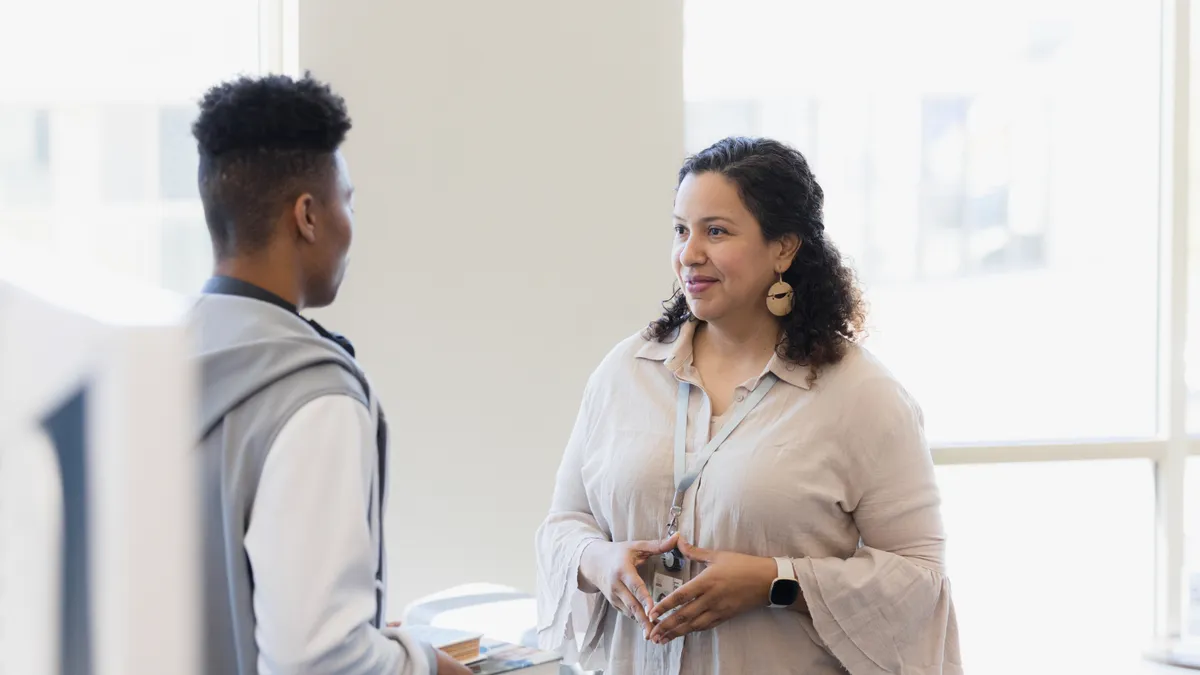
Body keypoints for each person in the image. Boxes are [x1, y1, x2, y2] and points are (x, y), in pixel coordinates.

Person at [535, 137, 962, 674]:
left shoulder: (861, 395)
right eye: (681, 229)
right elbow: (563, 524)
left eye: (716, 231)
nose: (689, 253)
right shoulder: (625, 371)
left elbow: (919, 579)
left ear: (783, 248)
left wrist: (774, 582)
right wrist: (598, 561)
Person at [189, 73, 470, 675]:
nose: (351, 225)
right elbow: (316, 658)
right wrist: (425, 665)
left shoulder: (157, 359)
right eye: (348, 200)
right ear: (308, 216)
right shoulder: (313, 393)